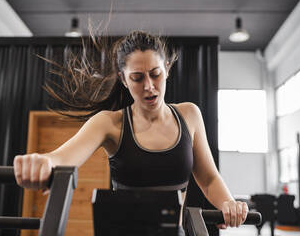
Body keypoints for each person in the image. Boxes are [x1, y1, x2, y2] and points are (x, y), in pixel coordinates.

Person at [13, 31, 248, 234]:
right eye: (137, 78)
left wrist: (228, 203)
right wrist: (42, 161)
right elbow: (62, 158)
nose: (149, 86)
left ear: (167, 69)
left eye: (155, 74)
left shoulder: (189, 115)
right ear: (123, 80)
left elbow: (208, 179)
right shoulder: (109, 123)